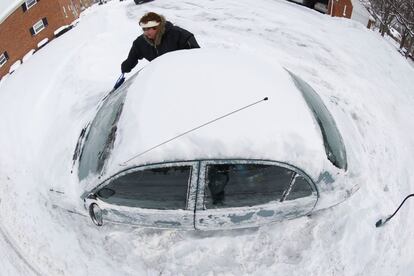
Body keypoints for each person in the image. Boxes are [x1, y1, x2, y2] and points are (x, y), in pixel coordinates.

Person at [120, 12, 200, 74]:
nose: (146, 32)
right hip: (160, 76)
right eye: (144, 29)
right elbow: (133, 56)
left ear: (158, 27)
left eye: (148, 29)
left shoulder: (179, 35)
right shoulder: (140, 42)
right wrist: (127, 65)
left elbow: (196, 56)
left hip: (181, 73)